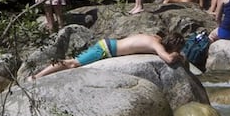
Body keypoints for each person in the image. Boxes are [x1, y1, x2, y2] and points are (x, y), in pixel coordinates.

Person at [28, 32, 184, 80]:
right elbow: (169, 59)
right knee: (72, 63)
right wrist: (178, 56)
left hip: (108, 45)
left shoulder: (155, 37)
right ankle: (37, 76)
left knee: (72, 63)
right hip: (105, 49)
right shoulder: (156, 45)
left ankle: (38, 75)